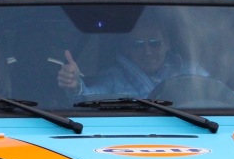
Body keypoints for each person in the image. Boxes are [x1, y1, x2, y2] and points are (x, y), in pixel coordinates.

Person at [57, 14, 204, 97]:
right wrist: (76, 85)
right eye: (138, 45)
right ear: (127, 50)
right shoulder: (114, 77)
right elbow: (91, 97)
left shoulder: (191, 72)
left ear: (167, 44)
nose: (147, 51)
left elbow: (216, 95)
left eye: (154, 43)